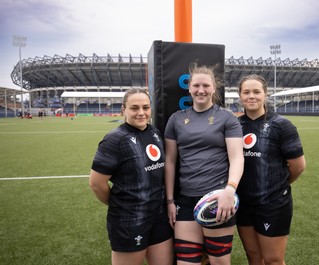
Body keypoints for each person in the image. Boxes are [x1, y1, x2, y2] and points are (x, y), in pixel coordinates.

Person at [164, 64, 244, 265]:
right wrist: (170, 201)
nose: (201, 90)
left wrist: (230, 190)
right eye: (196, 85)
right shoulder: (176, 119)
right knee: (186, 262)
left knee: (219, 262)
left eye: (206, 85)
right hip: (185, 200)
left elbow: (237, 158)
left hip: (218, 200)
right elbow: (170, 161)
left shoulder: (227, 118)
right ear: (189, 88)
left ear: (214, 88)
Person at [89, 88, 174, 265]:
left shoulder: (155, 133)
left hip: (159, 217)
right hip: (129, 221)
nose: (141, 113)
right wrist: (120, 204)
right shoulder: (114, 140)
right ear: (124, 109)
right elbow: (97, 184)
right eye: (134, 108)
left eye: (146, 107)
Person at [236, 74, 306, 265]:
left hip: (273, 204)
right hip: (243, 203)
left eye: (257, 91)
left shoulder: (282, 125)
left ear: (265, 95)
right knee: (254, 257)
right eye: (246, 92)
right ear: (240, 96)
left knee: (273, 260)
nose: (252, 96)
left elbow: (298, 167)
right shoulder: (235, 126)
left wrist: (276, 184)